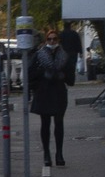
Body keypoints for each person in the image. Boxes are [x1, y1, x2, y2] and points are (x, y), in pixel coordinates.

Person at [28, 29, 78, 166]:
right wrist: (42, 75)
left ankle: (59, 154)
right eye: (49, 39)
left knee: (59, 123)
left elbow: (70, 79)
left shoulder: (64, 55)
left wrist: (63, 75)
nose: (52, 41)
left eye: (54, 39)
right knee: (45, 124)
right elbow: (30, 74)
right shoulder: (39, 55)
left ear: (58, 40)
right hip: (44, 92)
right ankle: (46, 154)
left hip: (59, 92)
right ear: (45, 41)